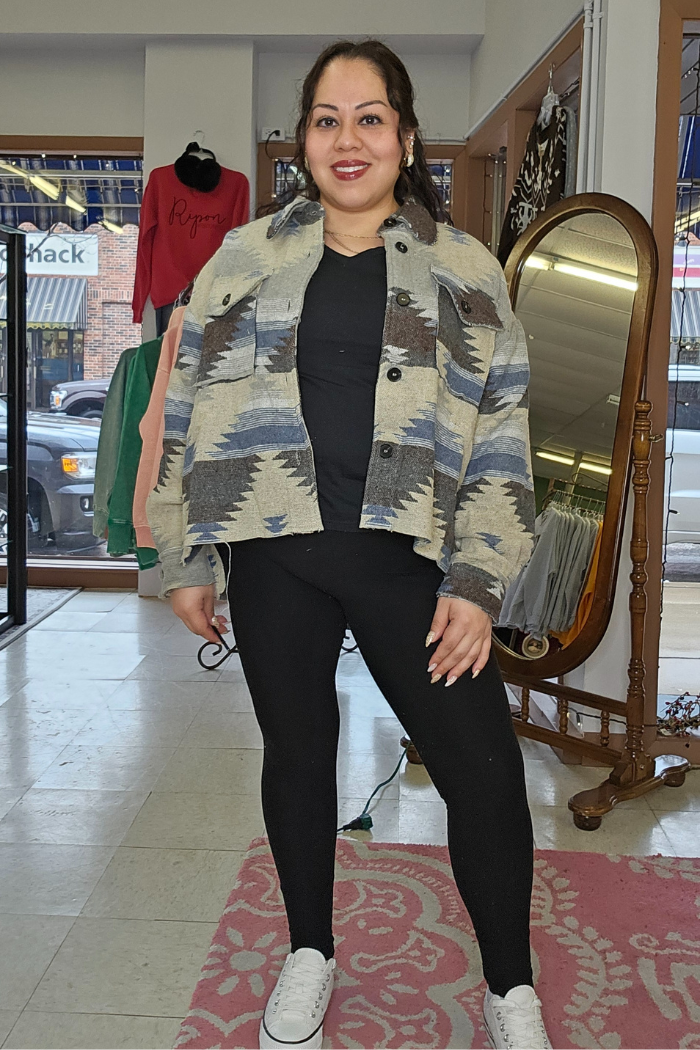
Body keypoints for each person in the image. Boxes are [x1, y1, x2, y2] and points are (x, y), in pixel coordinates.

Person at [147, 39, 552, 1050]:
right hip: (273, 556)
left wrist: (478, 580)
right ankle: (309, 951)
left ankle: (510, 988)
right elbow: (183, 408)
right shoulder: (243, 258)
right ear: (304, 142)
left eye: (370, 118)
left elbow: (503, 435)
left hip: (409, 567)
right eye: (327, 120)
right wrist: (180, 557)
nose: (348, 138)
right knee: (298, 753)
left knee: (483, 773)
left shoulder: (465, 271)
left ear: (405, 137)